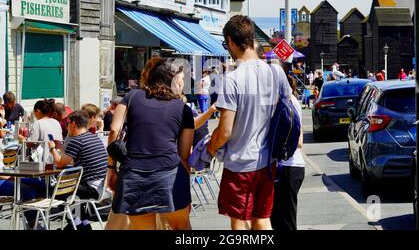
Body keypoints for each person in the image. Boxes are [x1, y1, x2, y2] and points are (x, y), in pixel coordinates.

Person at [206, 15, 291, 230]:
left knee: (239, 220)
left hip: (240, 163)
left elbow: (225, 131)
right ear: (252, 38)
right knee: (262, 219)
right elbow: (288, 108)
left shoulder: (233, 79)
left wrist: (210, 148)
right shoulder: (276, 71)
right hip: (268, 159)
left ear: (231, 41)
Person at [107, 58, 194, 230]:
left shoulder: (131, 97)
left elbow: (114, 131)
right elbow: (184, 155)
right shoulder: (183, 109)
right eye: (182, 78)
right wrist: (185, 188)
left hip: (134, 176)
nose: (183, 83)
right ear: (173, 80)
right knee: (179, 226)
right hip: (170, 175)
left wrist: (111, 168)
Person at [48, 110, 108, 225]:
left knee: (55, 190)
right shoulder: (94, 138)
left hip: (90, 188)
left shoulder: (76, 140)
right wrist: (60, 147)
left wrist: (52, 148)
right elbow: (72, 155)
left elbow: (60, 163)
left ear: (73, 124)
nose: (67, 126)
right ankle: (81, 223)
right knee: (71, 193)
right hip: (99, 186)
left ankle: (78, 224)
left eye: (67, 123)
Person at [271, 65, 305, 231]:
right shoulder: (292, 101)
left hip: (286, 167)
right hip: (292, 166)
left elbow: (298, 141)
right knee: (281, 218)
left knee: (284, 220)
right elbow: (301, 141)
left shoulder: (285, 103)